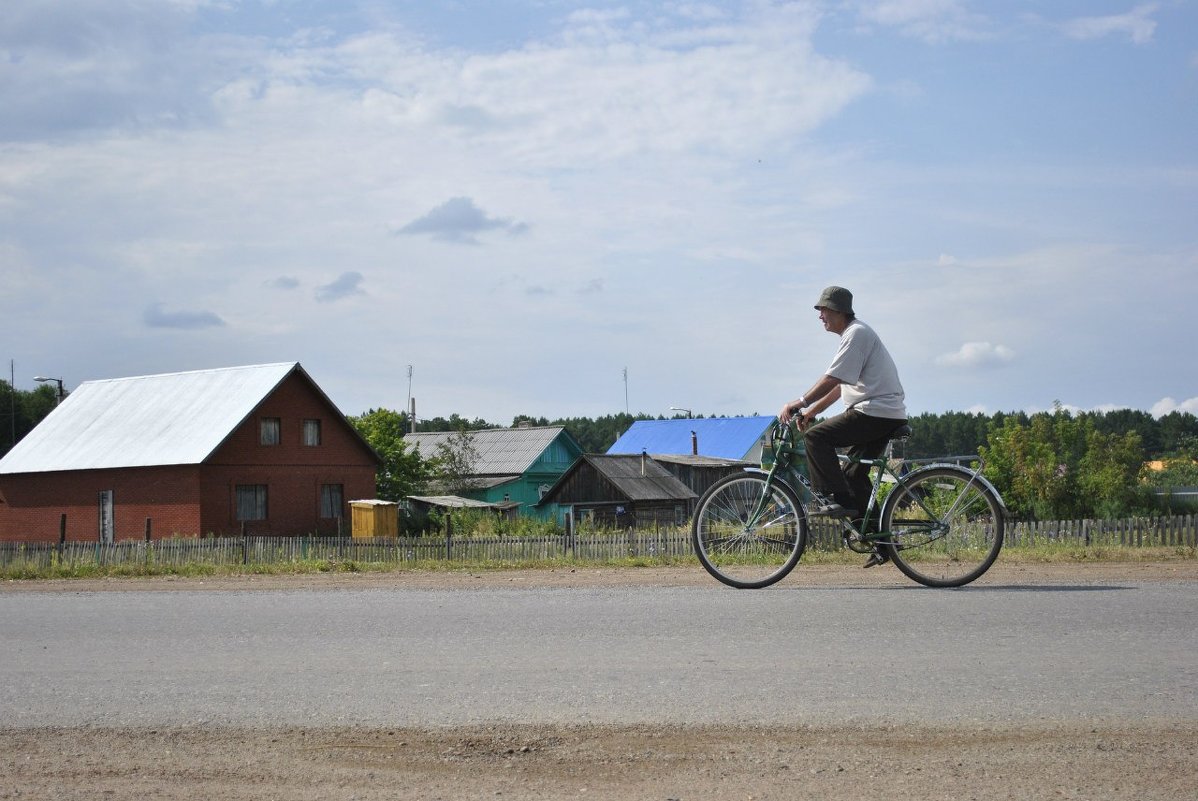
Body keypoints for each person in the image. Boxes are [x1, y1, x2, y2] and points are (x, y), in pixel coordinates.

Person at [778, 286, 907, 521]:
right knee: (853, 474)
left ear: (838, 311)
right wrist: (811, 412)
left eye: (823, 310)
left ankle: (834, 499)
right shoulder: (856, 334)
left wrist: (799, 403)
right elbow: (840, 387)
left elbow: (832, 379)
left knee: (816, 438)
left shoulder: (856, 334)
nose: (820, 316)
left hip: (874, 412)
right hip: (884, 413)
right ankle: (879, 540)